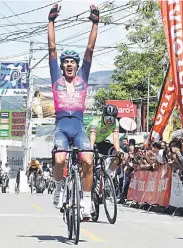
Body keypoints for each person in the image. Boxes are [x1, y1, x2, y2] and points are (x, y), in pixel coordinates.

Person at [48, 3, 99, 220]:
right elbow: (52, 49)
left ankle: (86, 202)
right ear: (61, 67)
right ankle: (59, 189)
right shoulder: (56, 79)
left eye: (72, 62)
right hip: (61, 126)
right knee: (59, 160)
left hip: (78, 127)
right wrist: (51, 21)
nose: (69, 65)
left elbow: (89, 50)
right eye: (66, 62)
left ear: (77, 66)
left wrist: (95, 23)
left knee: (88, 159)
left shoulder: (83, 78)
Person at [86, 104, 123, 175]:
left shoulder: (115, 123)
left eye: (112, 119)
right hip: (88, 141)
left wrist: (118, 151)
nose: (109, 121)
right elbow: (92, 137)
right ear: (103, 116)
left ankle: (107, 175)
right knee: (88, 160)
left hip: (100, 142)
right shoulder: (96, 122)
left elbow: (115, 138)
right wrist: (91, 149)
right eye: (107, 118)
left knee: (120, 157)